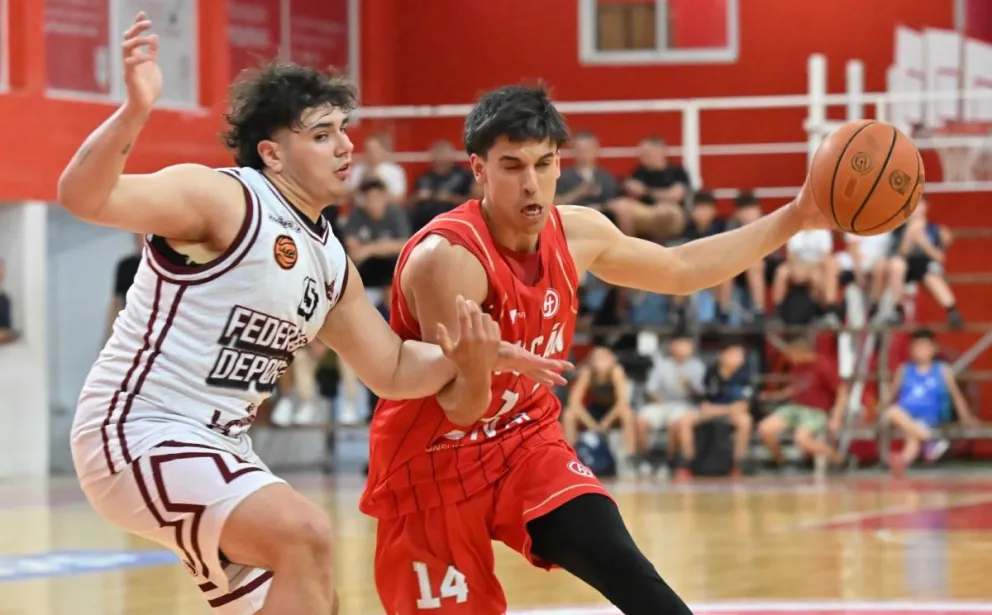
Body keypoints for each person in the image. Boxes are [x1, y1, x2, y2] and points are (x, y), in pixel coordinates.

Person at [58, 15, 569, 615]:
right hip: (140, 427)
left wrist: (472, 355)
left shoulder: (328, 258)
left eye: (343, 129)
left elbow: (393, 369)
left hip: (221, 444)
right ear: (272, 154)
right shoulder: (225, 198)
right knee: (305, 535)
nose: (346, 145)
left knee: (318, 597)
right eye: (322, 134)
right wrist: (135, 110)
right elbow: (83, 196)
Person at [360, 83, 831, 615]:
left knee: (629, 571)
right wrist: (474, 369)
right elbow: (460, 408)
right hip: (433, 463)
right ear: (478, 169)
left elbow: (680, 270)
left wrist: (795, 215)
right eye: (512, 166)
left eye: (544, 163)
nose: (531, 183)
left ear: (560, 163)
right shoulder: (448, 260)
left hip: (523, 443)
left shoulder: (578, 232)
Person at [882, 328, 978, 477]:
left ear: (934, 348)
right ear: (911, 349)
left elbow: (957, 397)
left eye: (924, 346)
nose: (921, 350)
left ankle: (921, 443)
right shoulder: (904, 370)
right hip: (907, 417)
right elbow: (891, 395)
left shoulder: (942, 370)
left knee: (897, 417)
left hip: (929, 419)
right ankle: (919, 447)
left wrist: (966, 418)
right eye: (917, 347)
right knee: (895, 416)